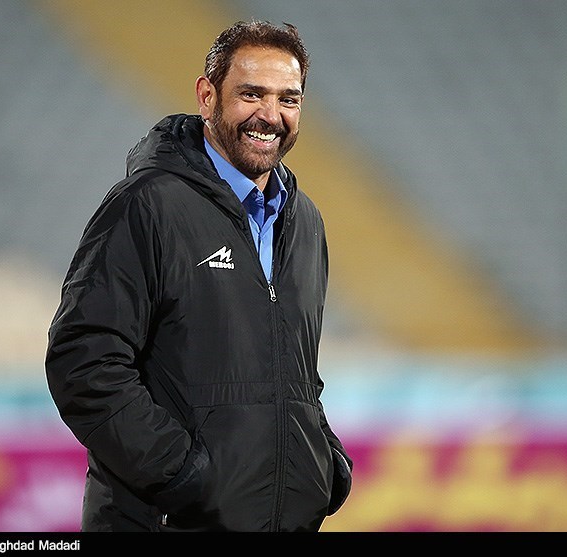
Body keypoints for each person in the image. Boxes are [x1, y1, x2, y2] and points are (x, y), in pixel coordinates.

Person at [45, 20, 352, 532]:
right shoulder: (146, 206)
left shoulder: (305, 222)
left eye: (288, 99)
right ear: (207, 97)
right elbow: (83, 360)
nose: (270, 115)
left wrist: (325, 463)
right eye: (251, 94)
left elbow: (296, 373)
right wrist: (183, 477)